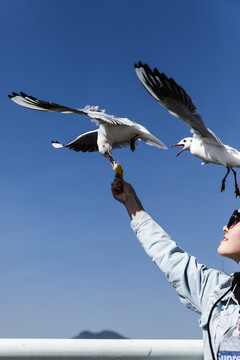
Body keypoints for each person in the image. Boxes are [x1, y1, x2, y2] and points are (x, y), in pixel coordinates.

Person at [111, 174, 240, 360]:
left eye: (235, 218)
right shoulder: (215, 290)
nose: (225, 227)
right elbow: (170, 257)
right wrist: (131, 202)